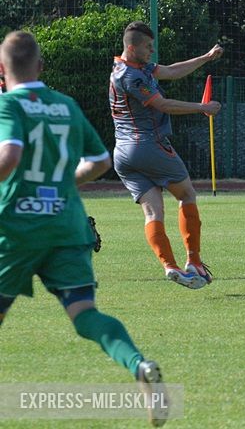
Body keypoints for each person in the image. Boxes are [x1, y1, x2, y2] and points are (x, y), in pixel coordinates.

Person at [0, 31, 169, 426]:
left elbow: (10, 155)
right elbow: (98, 162)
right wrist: (58, 185)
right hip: (67, 225)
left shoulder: (9, 105)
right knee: (84, 313)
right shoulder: (66, 105)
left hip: (20, 228)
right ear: (41, 67)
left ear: (3, 71)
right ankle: (139, 365)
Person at [111, 22, 222, 288]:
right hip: (148, 145)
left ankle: (171, 267)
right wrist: (202, 107)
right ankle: (193, 261)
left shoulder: (136, 68)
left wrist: (206, 58)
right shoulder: (131, 76)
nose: (152, 51)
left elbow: (172, 71)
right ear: (131, 47)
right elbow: (162, 104)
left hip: (123, 153)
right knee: (186, 195)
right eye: (148, 47)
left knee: (153, 213)